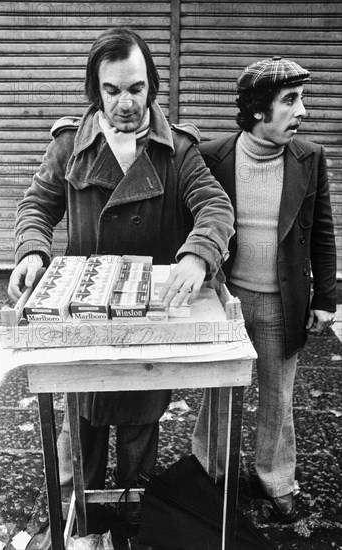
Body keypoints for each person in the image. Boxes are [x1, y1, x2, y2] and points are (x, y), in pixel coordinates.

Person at [8, 27, 234, 527]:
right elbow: (36, 206)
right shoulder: (71, 144)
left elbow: (214, 206)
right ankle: (83, 518)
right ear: (96, 90)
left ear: (151, 84)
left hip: (145, 323)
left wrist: (197, 256)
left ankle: (137, 521)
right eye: (112, 90)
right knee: (82, 429)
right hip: (81, 320)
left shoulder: (177, 149)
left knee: (138, 436)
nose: (125, 102)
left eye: (135, 88)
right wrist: (30, 250)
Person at [192, 57, 337, 523]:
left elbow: (323, 232)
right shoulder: (213, 155)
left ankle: (274, 479)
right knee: (218, 394)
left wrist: (326, 299)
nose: (303, 112)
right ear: (258, 109)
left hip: (282, 302)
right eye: (291, 101)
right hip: (226, 301)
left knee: (278, 397)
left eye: (303, 99)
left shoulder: (309, 158)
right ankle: (208, 475)